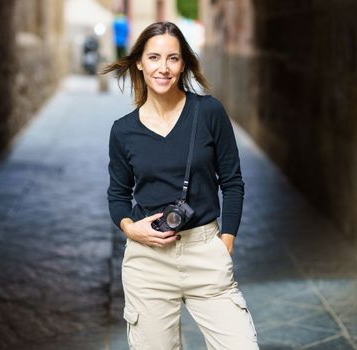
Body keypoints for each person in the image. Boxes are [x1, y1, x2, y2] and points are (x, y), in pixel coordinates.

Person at [103, 21, 259, 350]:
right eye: (155, 57)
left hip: (205, 254)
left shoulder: (209, 112)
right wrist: (131, 229)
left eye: (173, 58)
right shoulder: (123, 131)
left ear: (184, 63)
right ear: (139, 63)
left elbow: (232, 182)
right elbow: (118, 194)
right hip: (148, 262)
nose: (163, 67)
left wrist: (225, 243)